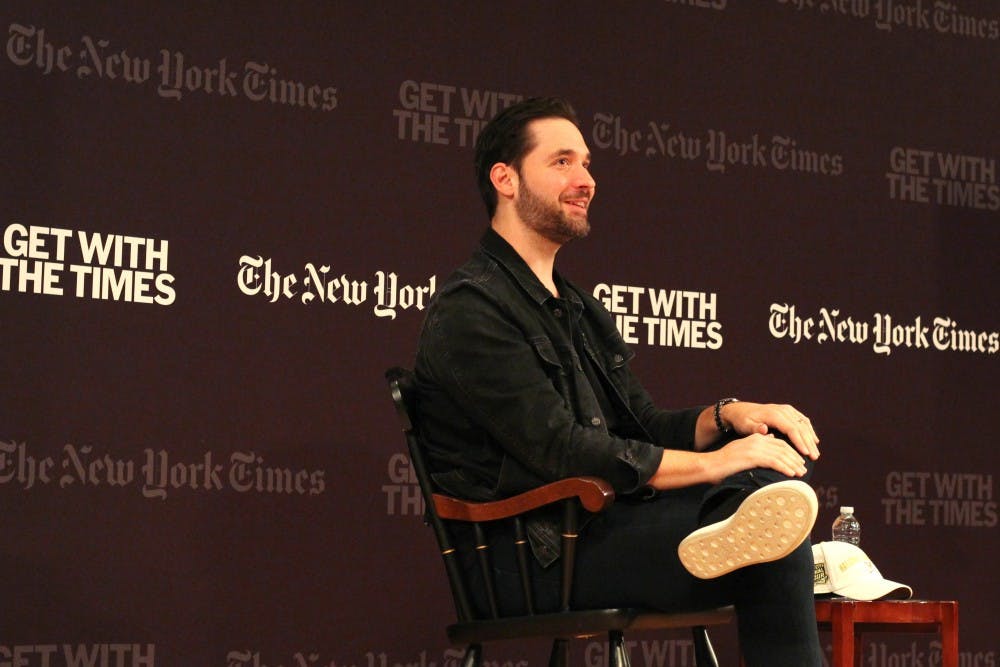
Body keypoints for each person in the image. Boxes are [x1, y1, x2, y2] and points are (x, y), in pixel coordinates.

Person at [413, 97, 823, 666]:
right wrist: (712, 465)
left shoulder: (577, 306)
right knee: (761, 529)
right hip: (537, 558)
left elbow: (645, 426)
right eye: (562, 162)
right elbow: (561, 449)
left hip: (604, 531)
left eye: (586, 164)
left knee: (761, 508)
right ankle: (732, 524)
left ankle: (735, 520)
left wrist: (729, 416)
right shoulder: (471, 311)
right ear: (504, 179)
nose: (585, 180)